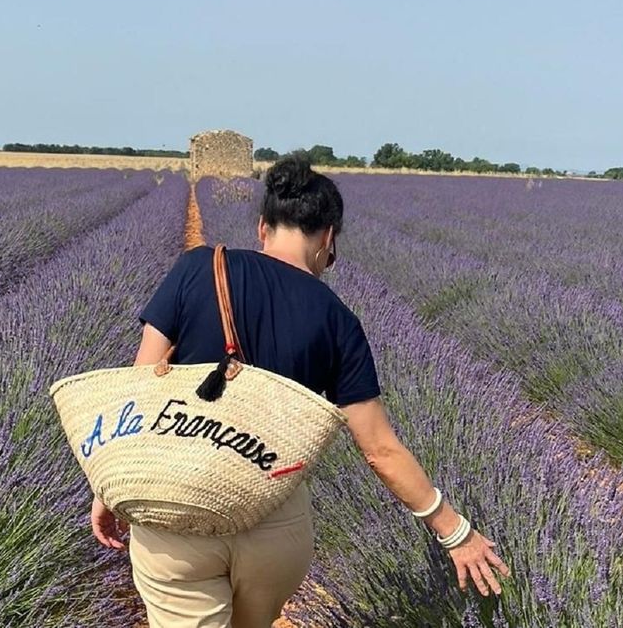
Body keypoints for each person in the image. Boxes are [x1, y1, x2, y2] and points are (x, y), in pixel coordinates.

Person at [90, 154, 510, 628]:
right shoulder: (338, 321)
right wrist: (456, 533)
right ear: (329, 237)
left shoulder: (197, 267)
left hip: (178, 511)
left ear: (263, 226)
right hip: (273, 523)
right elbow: (380, 451)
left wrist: (111, 487)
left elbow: (142, 384)